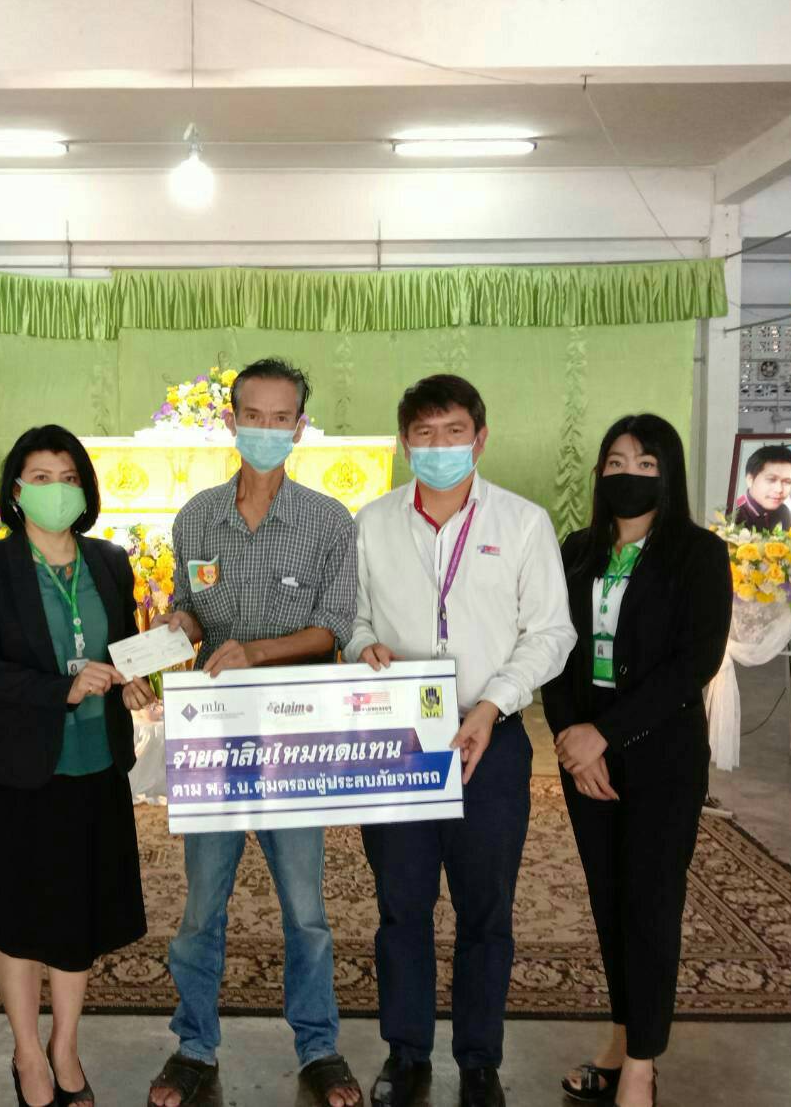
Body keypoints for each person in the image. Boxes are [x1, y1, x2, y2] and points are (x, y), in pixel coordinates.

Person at [346, 374, 576, 1107]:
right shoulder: (371, 523)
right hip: (398, 743)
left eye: (453, 432)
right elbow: (352, 618)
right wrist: (361, 648)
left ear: (480, 439)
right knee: (401, 905)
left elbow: (551, 632)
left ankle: (479, 1059)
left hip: (491, 739)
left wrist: (494, 703)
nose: (438, 446)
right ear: (403, 442)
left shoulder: (523, 523)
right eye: (423, 433)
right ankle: (406, 1051)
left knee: (485, 910)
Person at [147, 358, 363, 1107]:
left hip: (294, 739)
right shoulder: (196, 518)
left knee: (306, 911)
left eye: (281, 418)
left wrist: (256, 653)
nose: (266, 429)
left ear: (299, 427)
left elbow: (332, 628)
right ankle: (193, 1045)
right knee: (200, 907)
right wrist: (174, 628)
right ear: (230, 421)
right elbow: (191, 607)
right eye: (253, 415)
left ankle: (318, 1047)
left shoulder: (329, 522)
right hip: (214, 740)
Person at [0, 425, 151, 1107]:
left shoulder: (109, 561)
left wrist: (134, 683)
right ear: (15, 490)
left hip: (97, 764)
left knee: (77, 911)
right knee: (19, 913)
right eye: (40, 477)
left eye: (68, 477)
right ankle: (27, 1054)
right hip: (22, 767)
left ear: (85, 490)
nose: (56, 490)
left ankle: (65, 1047)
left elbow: (123, 648)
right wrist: (58, 689)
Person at [542, 414, 732, 1107]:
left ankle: (643, 1067)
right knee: (609, 899)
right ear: (599, 473)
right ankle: (621, 1040)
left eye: (646, 464)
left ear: (668, 474)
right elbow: (551, 644)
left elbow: (694, 662)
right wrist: (571, 737)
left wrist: (605, 733)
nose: (629, 474)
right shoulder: (576, 549)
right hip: (585, 754)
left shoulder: (697, 554)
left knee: (650, 904)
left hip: (660, 756)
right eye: (617, 462)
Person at [732, 444, 791, 532]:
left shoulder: (785, 512)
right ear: (750, 480)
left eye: (787, 481)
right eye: (771, 480)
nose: (779, 489)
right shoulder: (733, 516)